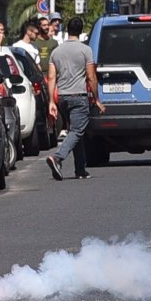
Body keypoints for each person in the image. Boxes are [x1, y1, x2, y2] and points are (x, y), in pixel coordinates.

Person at [46, 16, 105, 181]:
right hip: (78, 96)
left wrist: (51, 101)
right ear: (81, 31)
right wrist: (97, 99)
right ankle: (57, 157)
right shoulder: (86, 50)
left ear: (67, 30)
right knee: (77, 131)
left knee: (76, 131)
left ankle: (80, 169)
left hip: (63, 98)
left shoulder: (56, 51)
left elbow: (51, 77)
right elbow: (91, 77)